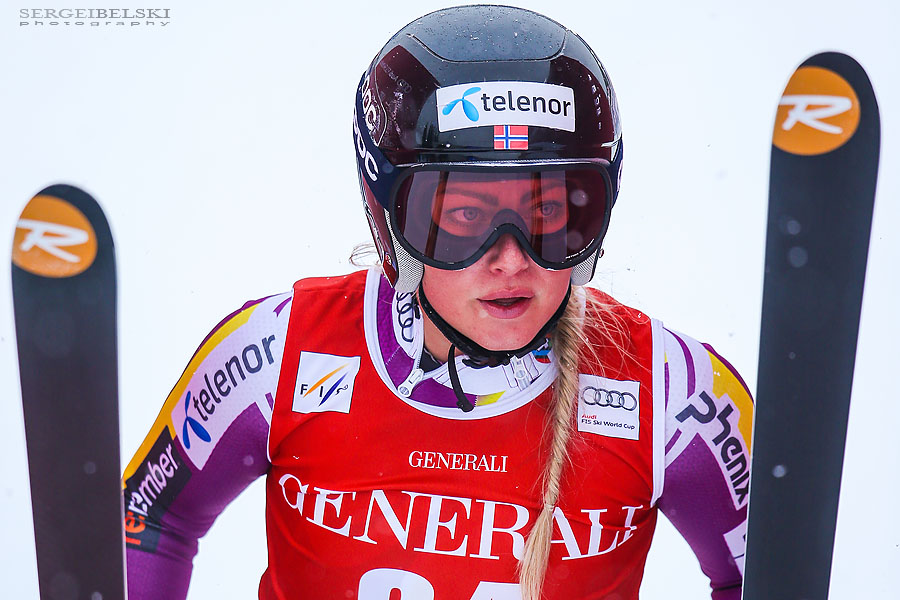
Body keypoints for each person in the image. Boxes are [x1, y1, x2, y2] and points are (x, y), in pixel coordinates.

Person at [121, 5, 752, 599]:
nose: (512, 258)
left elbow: (764, 569)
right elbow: (150, 518)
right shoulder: (279, 354)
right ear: (389, 219)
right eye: (465, 215)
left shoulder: (673, 393)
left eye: (550, 213)